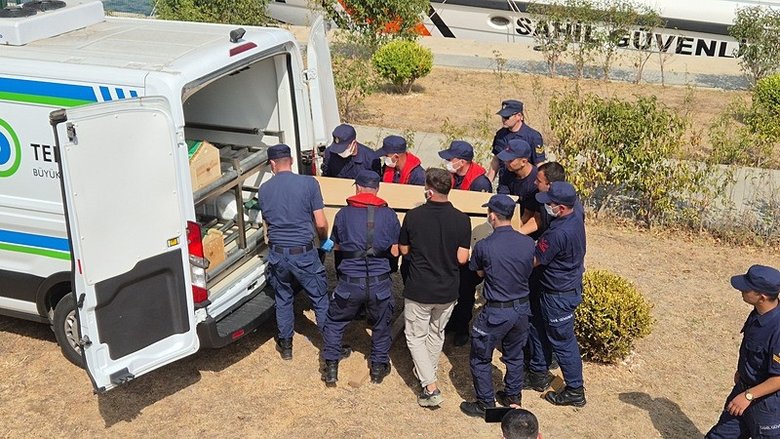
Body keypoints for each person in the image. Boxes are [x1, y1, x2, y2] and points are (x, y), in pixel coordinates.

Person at [400, 168, 471, 407]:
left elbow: (404, 250)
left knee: (415, 337)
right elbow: (462, 258)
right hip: (448, 289)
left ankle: (430, 387)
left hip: (420, 288)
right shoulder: (462, 219)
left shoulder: (413, 216)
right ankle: (426, 372)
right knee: (436, 334)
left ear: (429, 191)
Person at [322, 170, 400, 386]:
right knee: (381, 324)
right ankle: (378, 368)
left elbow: (336, 247)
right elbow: (395, 250)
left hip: (350, 281)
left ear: (357, 188)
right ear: (377, 189)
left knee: (335, 321)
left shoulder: (343, 214)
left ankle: (331, 368)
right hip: (379, 281)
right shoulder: (390, 215)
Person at [460, 195, 535, 418]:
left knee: (480, 357)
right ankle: (513, 397)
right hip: (522, 308)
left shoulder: (485, 246)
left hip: (497, 311)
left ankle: (485, 403)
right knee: (515, 355)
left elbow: (478, 272)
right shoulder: (527, 243)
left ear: (492, 216)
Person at [257, 144, 331, 361]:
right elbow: (320, 222)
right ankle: (330, 344)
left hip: (278, 253)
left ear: (272, 164)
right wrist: (324, 240)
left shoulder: (264, 190)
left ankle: (286, 345)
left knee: (283, 297)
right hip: (303, 253)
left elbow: (268, 222)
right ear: (290, 160)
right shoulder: (309, 184)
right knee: (319, 298)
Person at [705, 265, 780, 439]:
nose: (741, 290)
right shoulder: (759, 313)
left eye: (747, 288)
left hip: (766, 406)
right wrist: (743, 372)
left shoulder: (777, 330)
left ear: (762, 297)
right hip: (743, 391)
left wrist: (748, 396)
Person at [530, 181, 587, 407]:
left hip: (558, 295)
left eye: (550, 204)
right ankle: (539, 372)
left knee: (563, 341)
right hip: (566, 286)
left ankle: (575, 390)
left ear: (561, 208)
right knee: (541, 328)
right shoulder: (576, 213)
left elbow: (535, 260)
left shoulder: (558, 233)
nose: (548, 207)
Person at [439, 140, 491, 346]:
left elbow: (481, 220)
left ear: (461, 162)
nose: (447, 162)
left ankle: (462, 327)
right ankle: (451, 321)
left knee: (466, 290)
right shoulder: (453, 177)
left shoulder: (480, 183)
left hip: (471, 243)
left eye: (450, 158)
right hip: (454, 239)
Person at [487, 99, 545, 182]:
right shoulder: (500, 135)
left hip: (525, 182)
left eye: (507, 117)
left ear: (519, 116)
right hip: (505, 182)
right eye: (502, 117)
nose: (503, 120)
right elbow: (496, 160)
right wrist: (488, 182)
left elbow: (539, 163)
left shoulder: (533, 137)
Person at [496, 139, 541, 238]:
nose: (506, 162)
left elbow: (530, 215)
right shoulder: (507, 172)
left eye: (510, 160)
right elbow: (503, 198)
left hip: (529, 230)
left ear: (523, 161)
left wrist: (512, 233)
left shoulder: (536, 182)